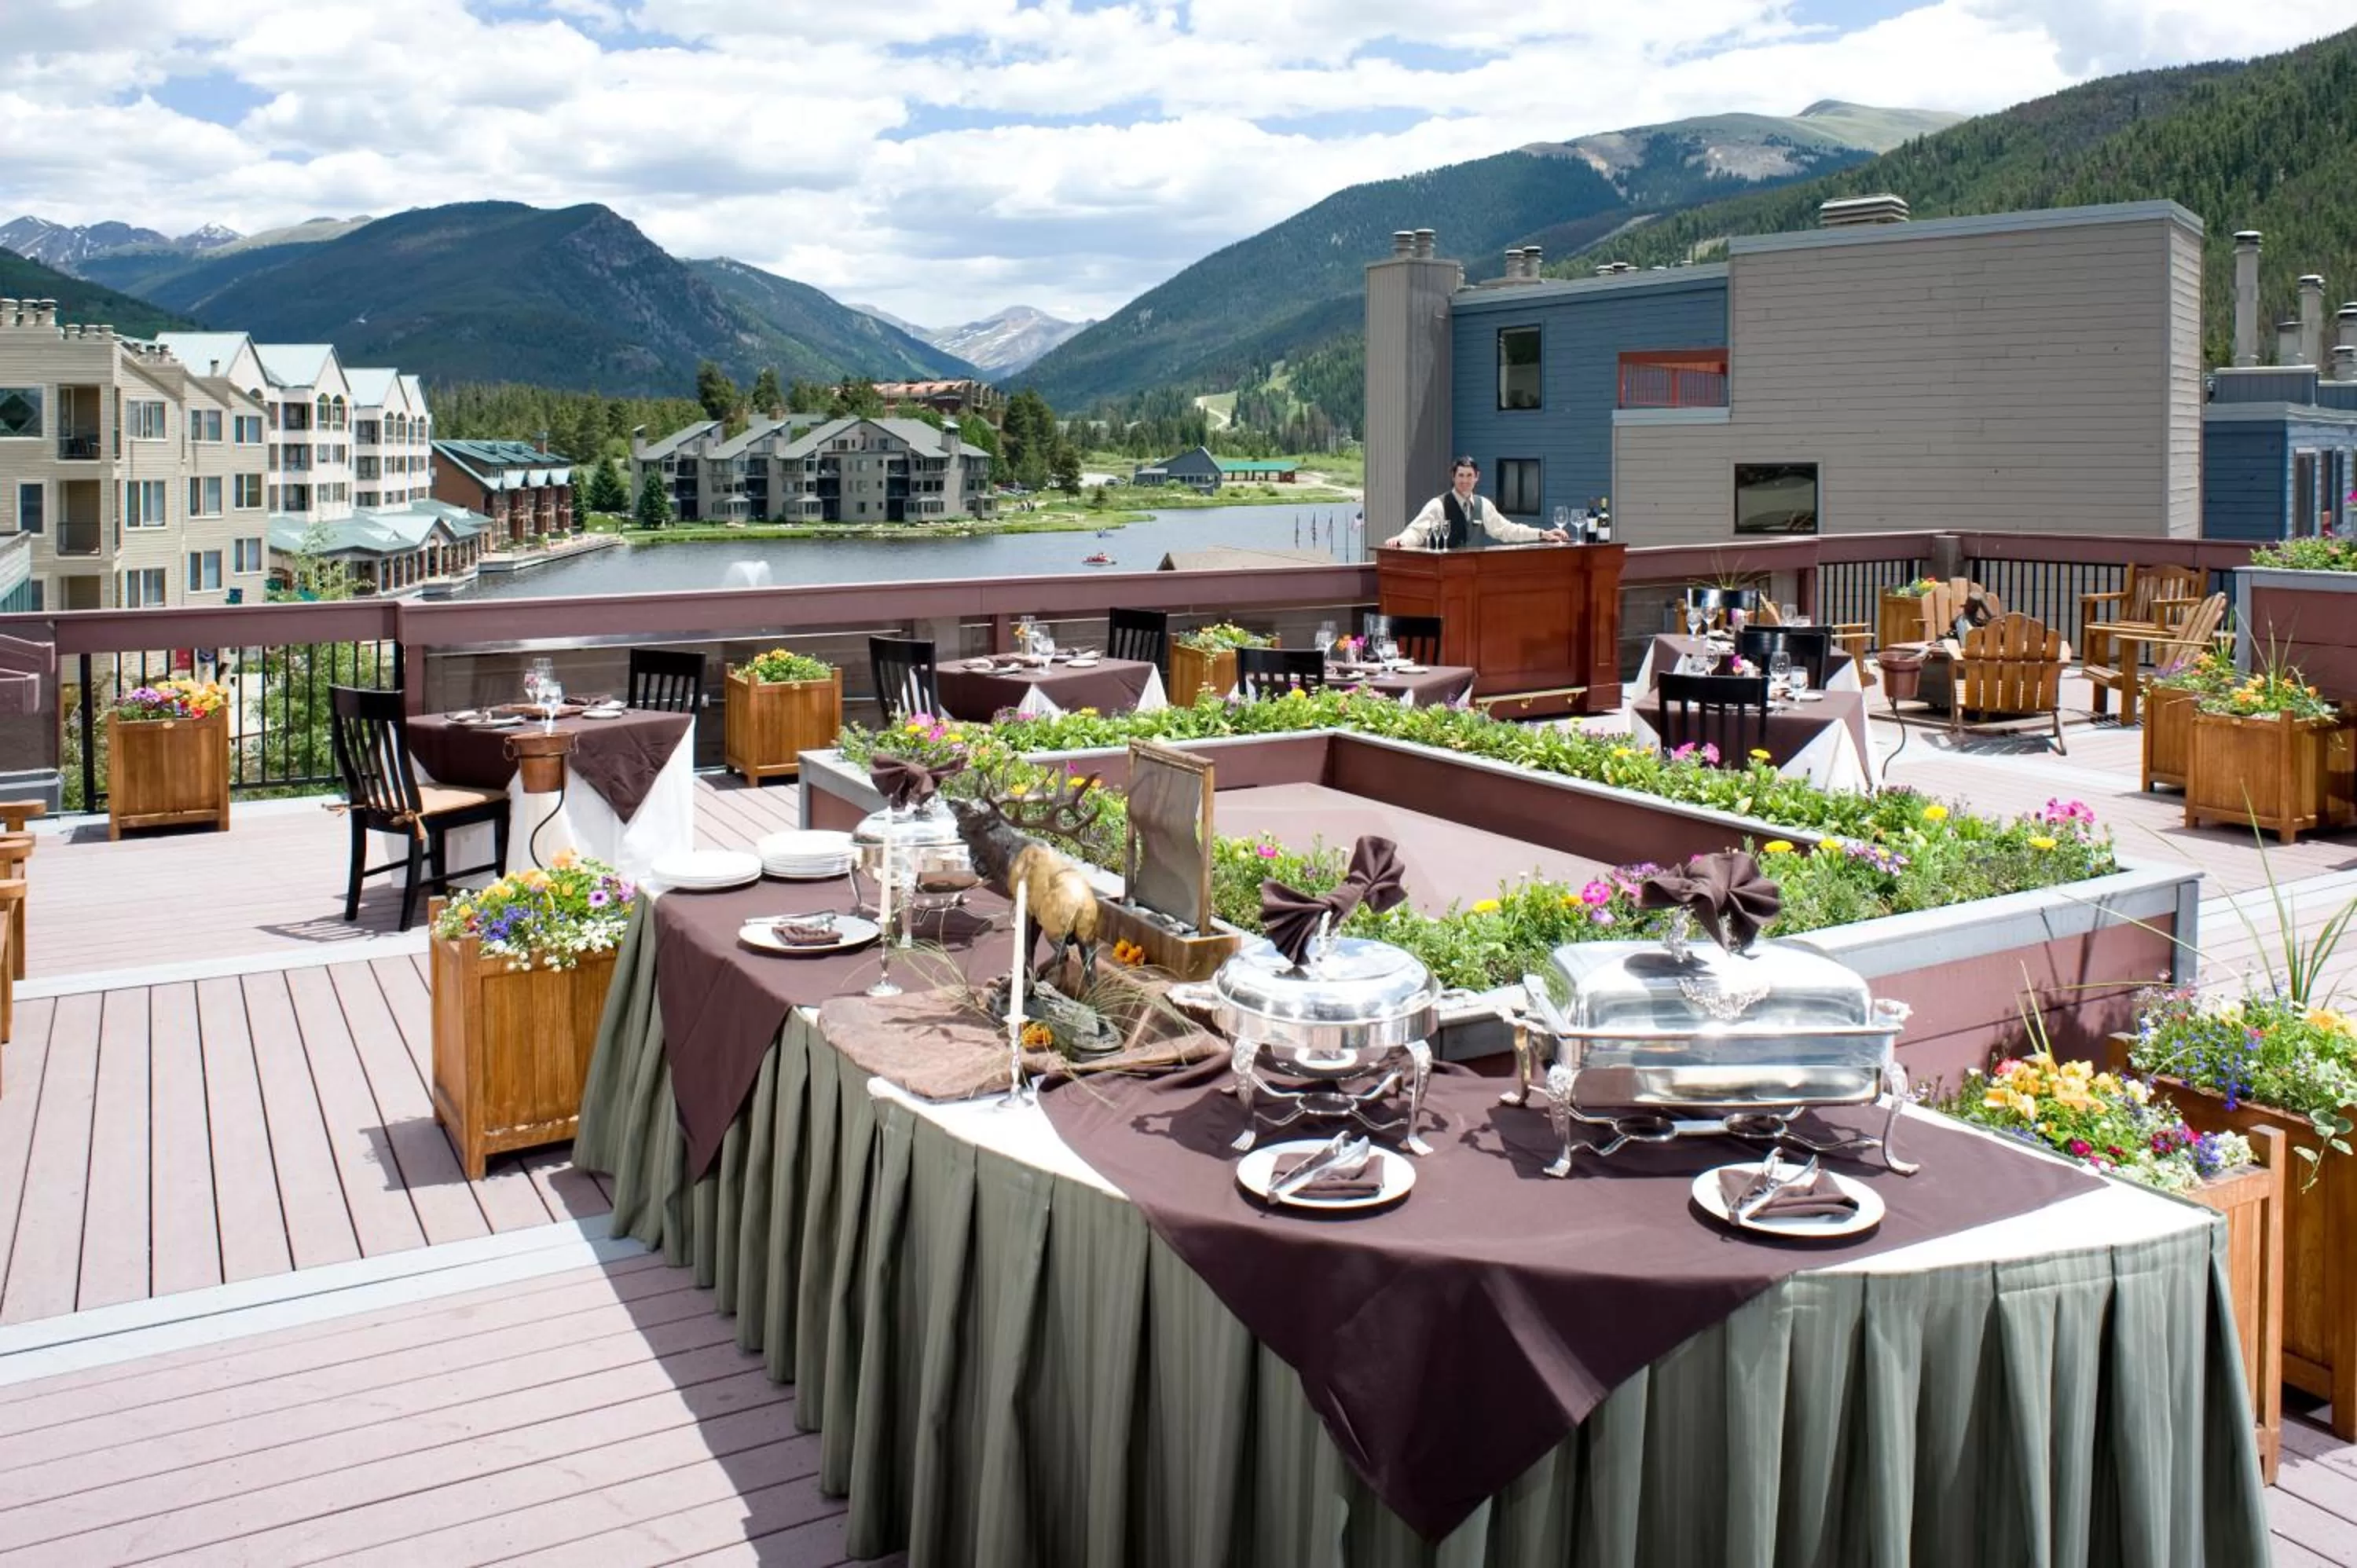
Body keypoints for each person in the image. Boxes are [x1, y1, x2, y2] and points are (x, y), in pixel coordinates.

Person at [1385, 457, 1569, 548]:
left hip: (1474, 576)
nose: (1464, 481)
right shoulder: (1438, 505)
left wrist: (1542, 534)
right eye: (1461, 476)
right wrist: (1400, 541)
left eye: (1469, 476)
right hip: (1446, 574)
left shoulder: (1484, 505)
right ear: (1453, 477)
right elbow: (1417, 531)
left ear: (1477, 478)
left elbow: (1507, 530)